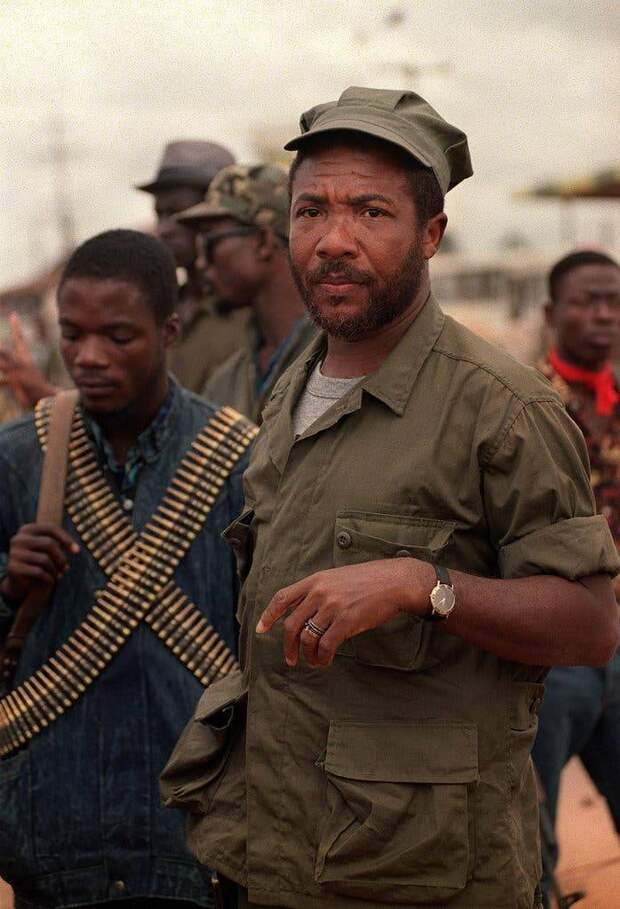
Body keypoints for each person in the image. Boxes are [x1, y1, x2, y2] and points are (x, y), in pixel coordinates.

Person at [161, 88, 620, 909]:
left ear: (431, 234)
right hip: (281, 853)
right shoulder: (292, 390)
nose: (334, 240)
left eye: (371, 212)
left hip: (424, 873)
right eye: (311, 211)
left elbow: (590, 624)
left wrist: (422, 584)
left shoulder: (501, 407)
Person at [0, 230, 256, 908]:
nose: (88, 357)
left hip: (199, 837)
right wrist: (9, 584)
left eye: (118, 336)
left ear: (168, 331)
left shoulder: (240, 462)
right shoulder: (16, 458)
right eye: (72, 335)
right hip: (55, 836)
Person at [532, 250, 620, 898]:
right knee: (530, 833)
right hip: (551, 654)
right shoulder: (525, 404)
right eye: (586, 302)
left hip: (619, 645)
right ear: (550, 313)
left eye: (614, 303)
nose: (603, 315)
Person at [176, 164, 315, 422]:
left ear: (263, 241)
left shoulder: (338, 357)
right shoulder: (226, 381)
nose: (201, 263)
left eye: (209, 242)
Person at [137, 140, 250, 392]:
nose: (163, 229)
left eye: (177, 213)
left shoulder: (249, 311)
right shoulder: (158, 311)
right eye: (159, 214)